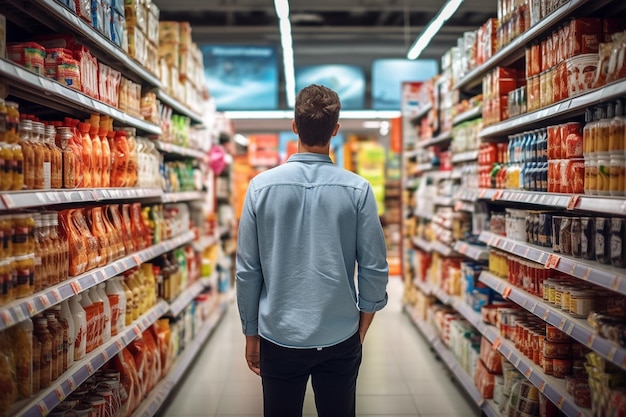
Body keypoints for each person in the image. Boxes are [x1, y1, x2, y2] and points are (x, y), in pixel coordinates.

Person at [235, 84, 389, 417]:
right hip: (340, 335)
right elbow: (374, 268)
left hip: (278, 334)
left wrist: (251, 332)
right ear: (335, 129)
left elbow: (248, 270)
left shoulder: (261, 187)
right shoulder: (358, 189)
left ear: (294, 126)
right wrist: (361, 328)